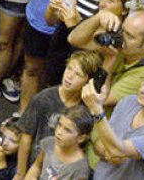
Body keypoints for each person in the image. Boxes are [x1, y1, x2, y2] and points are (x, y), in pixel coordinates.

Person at [41, 0, 122, 87]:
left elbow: (96, 42)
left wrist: (76, 22)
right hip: (59, 46)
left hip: (84, 59)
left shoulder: (107, 2)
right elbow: (50, 21)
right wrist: (51, 9)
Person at [15, 50, 103, 178]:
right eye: (69, 69)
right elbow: (26, 138)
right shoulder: (43, 99)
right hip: (36, 167)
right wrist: (20, 174)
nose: (69, 76)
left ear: (88, 81)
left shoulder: (87, 109)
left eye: (78, 74)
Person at [24, 105, 94, 180]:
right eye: (59, 125)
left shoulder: (80, 168)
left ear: (81, 138)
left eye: (67, 130)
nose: (59, 132)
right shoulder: (50, 143)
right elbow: (37, 166)